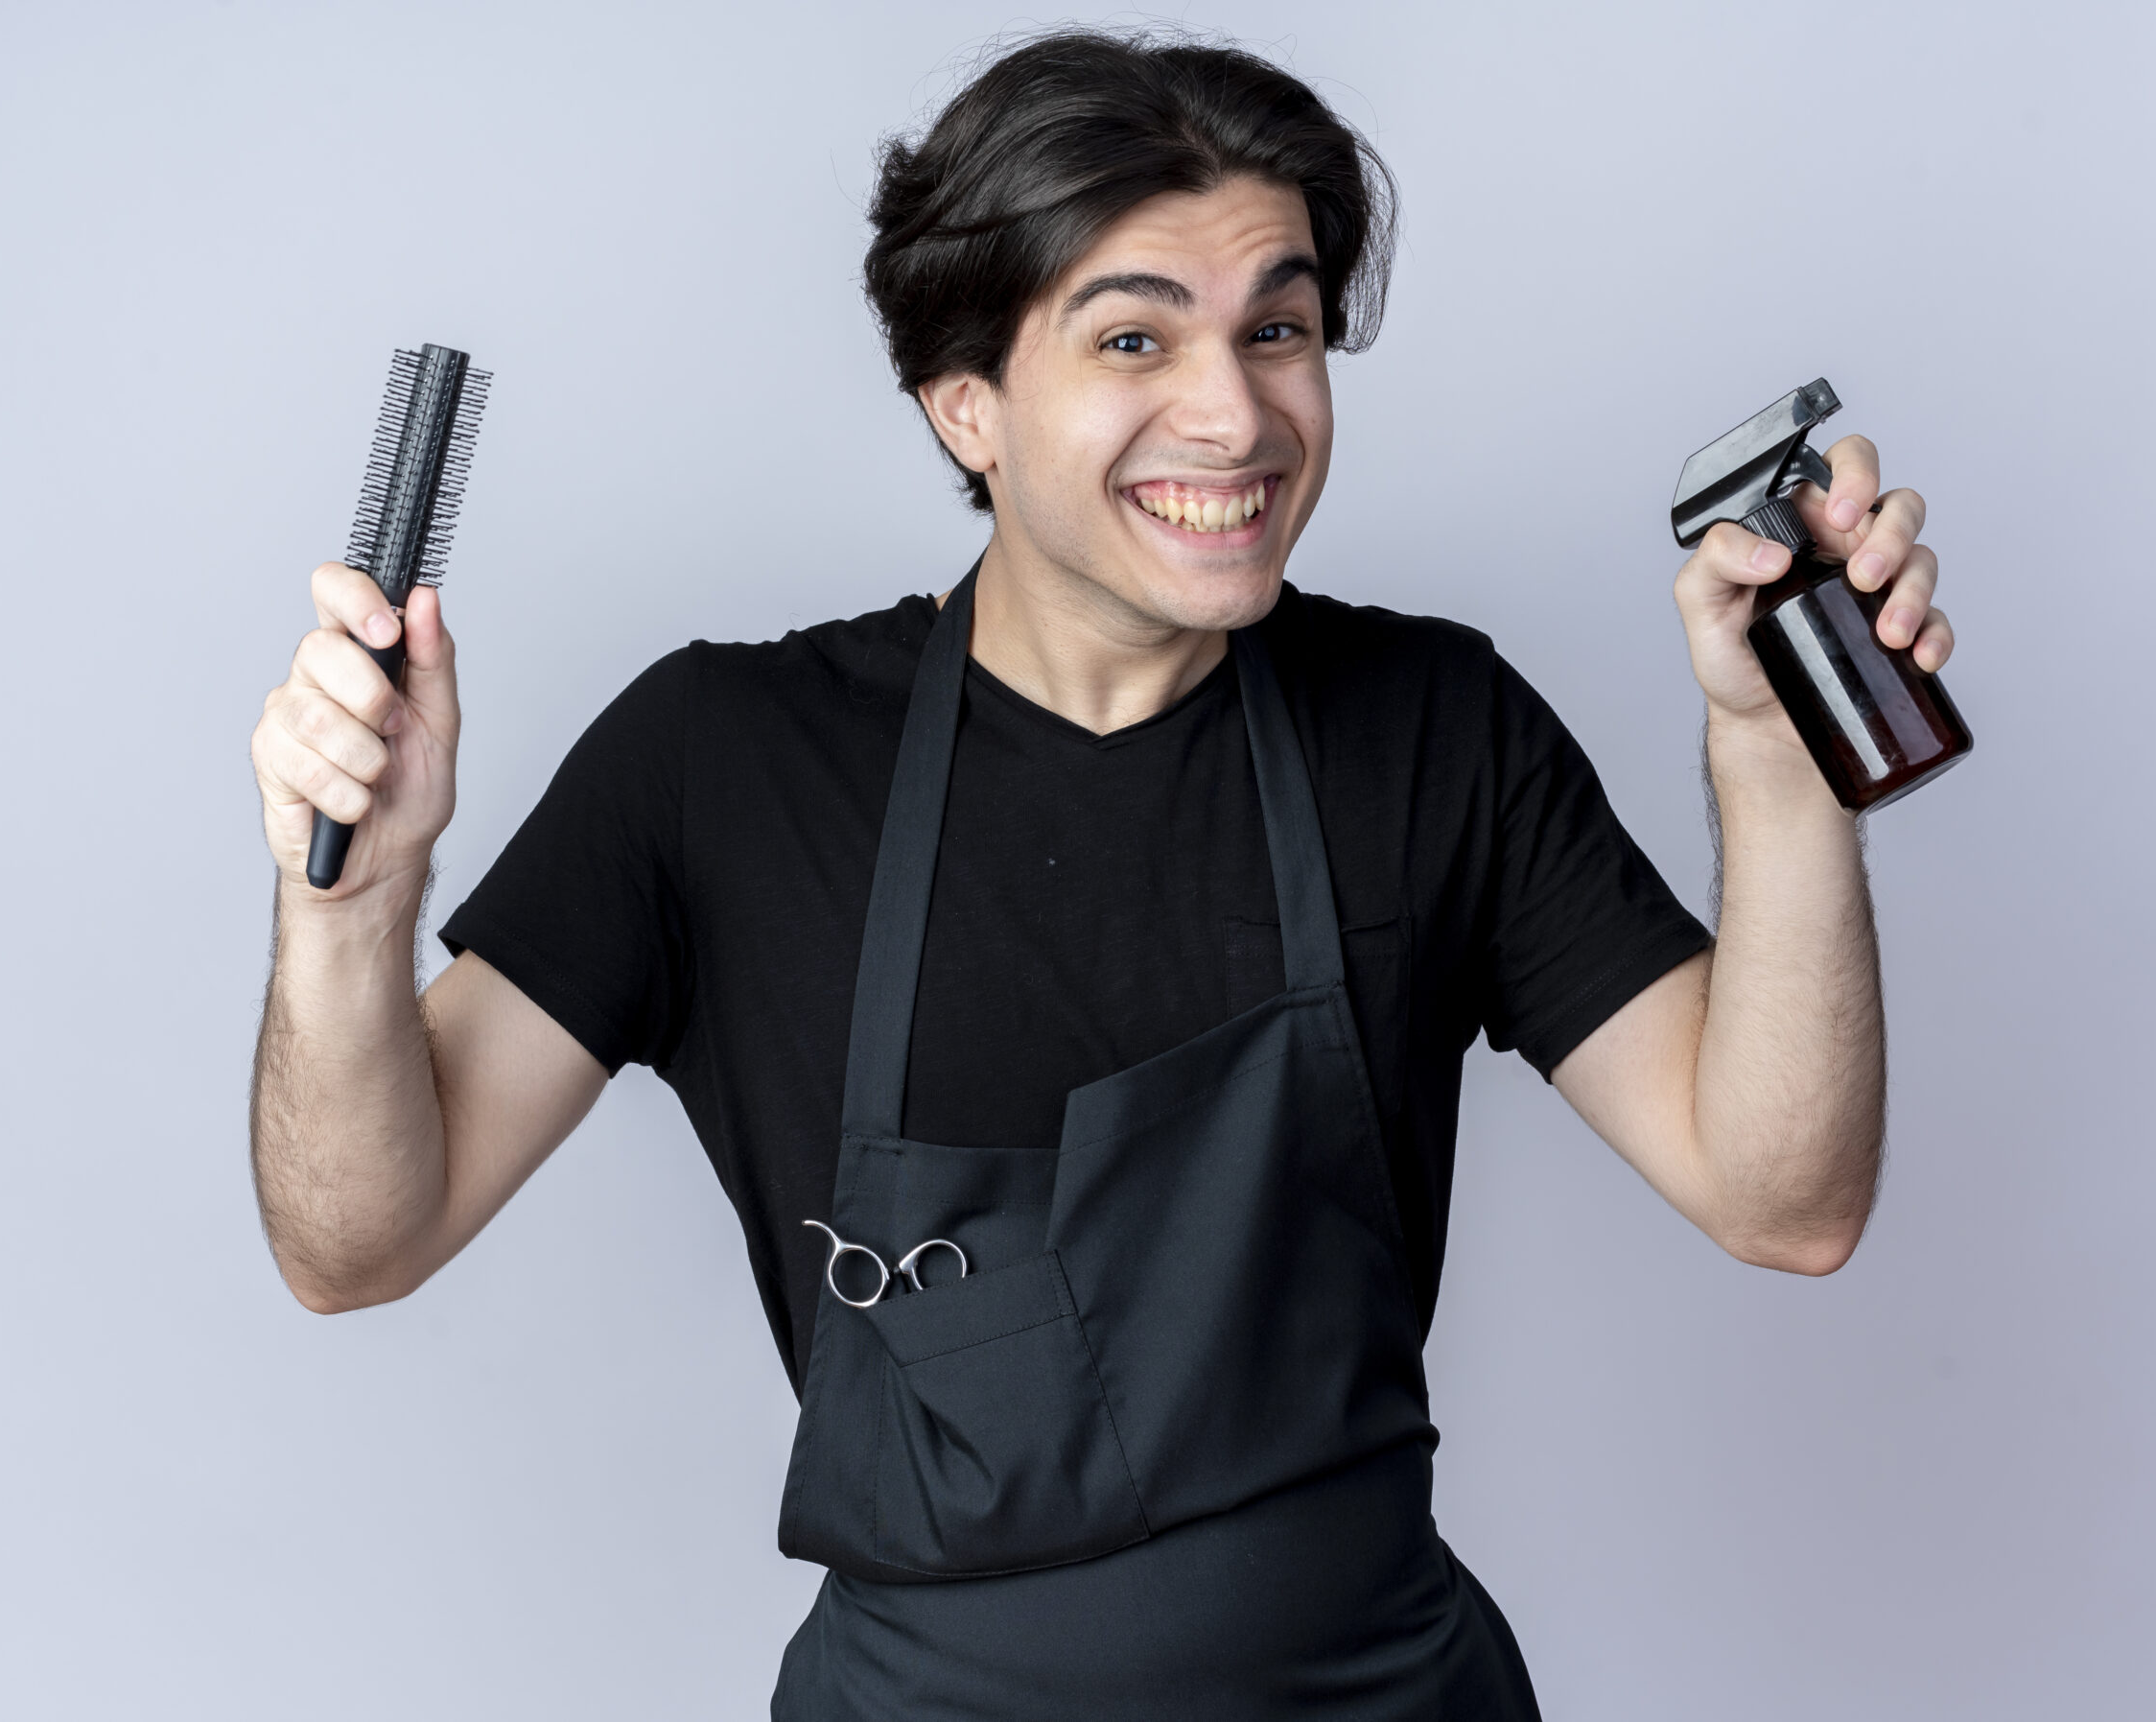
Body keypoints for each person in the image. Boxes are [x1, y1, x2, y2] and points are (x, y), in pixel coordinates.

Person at [247, 30, 1953, 1720]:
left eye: (1277, 329)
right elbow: (357, 1243)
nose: (1235, 414)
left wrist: (1781, 772)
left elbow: (1783, 1199)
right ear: (964, 401)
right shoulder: (725, 763)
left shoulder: (1433, 730)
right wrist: (352, 908)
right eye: (1134, 335)